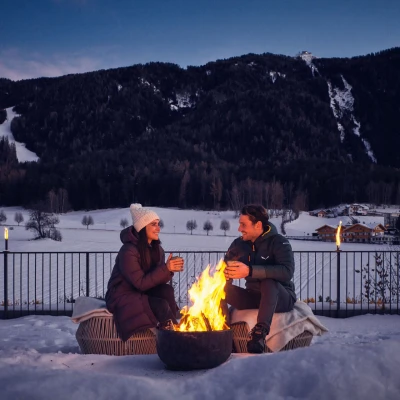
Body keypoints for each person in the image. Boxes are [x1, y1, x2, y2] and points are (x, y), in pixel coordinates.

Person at [223, 204, 296, 353]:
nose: (239, 229)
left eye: (243, 225)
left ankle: (259, 334)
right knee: (219, 289)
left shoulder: (279, 242)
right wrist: (225, 274)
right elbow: (226, 267)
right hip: (253, 296)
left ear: (258, 225)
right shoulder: (239, 244)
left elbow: (287, 272)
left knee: (268, 281)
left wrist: (250, 271)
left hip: (280, 297)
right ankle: (223, 334)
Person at [105, 203, 184, 341]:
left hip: (141, 291)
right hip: (122, 294)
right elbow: (140, 283)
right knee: (161, 305)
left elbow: (155, 281)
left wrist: (169, 270)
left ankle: (173, 330)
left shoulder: (157, 250)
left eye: (158, 224)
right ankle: (175, 340)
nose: (158, 228)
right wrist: (165, 269)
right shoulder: (128, 251)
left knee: (167, 291)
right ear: (142, 227)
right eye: (153, 224)